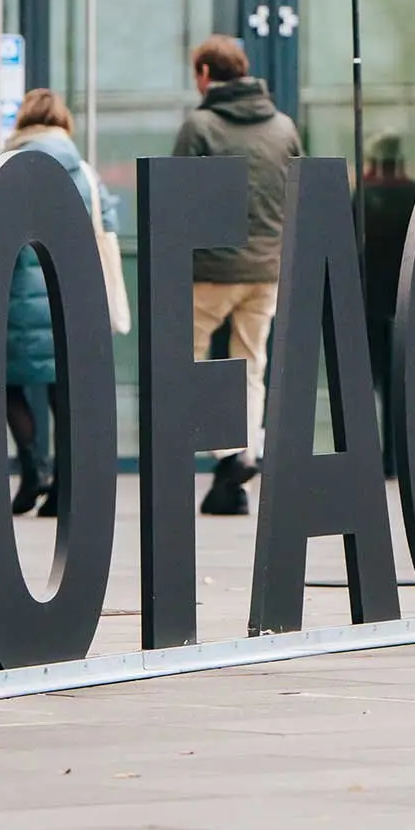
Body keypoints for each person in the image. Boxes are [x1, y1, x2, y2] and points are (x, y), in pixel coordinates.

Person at [172, 36, 302, 516]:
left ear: (205, 72)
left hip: (210, 267)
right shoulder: (283, 127)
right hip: (267, 268)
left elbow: (176, 198)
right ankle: (241, 458)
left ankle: (227, 454)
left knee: (186, 360)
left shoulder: (200, 126)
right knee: (250, 363)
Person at [0, 90, 114, 517]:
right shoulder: (84, 171)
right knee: (62, 392)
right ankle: (64, 483)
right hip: (70, 296)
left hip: (18, 298)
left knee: (7, 385)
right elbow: (110, 222)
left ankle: (34, 467)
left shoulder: (9, 167)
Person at [360, 130, 415, 477]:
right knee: (401, 381)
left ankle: (369, 456)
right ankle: (397, 458)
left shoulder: (362, 197)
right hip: (406, 296)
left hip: (369, 297)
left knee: (369, 378)